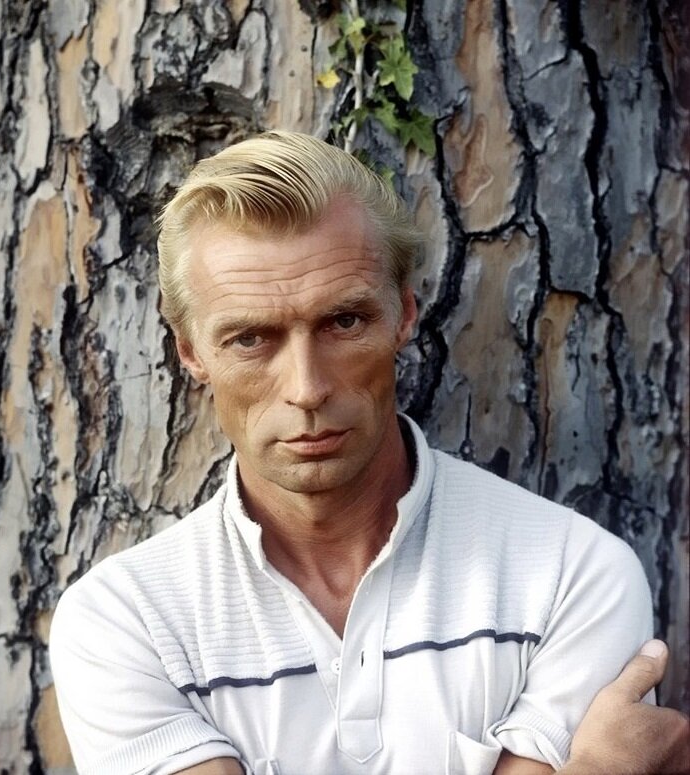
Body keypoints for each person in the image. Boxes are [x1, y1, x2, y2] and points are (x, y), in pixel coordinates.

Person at [49, 132, 689, 775]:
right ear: (191, 352)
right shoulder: (126, 622)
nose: (307, 388)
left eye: (344, 322)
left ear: (403, 314)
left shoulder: (571, 575)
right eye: (250, 339)